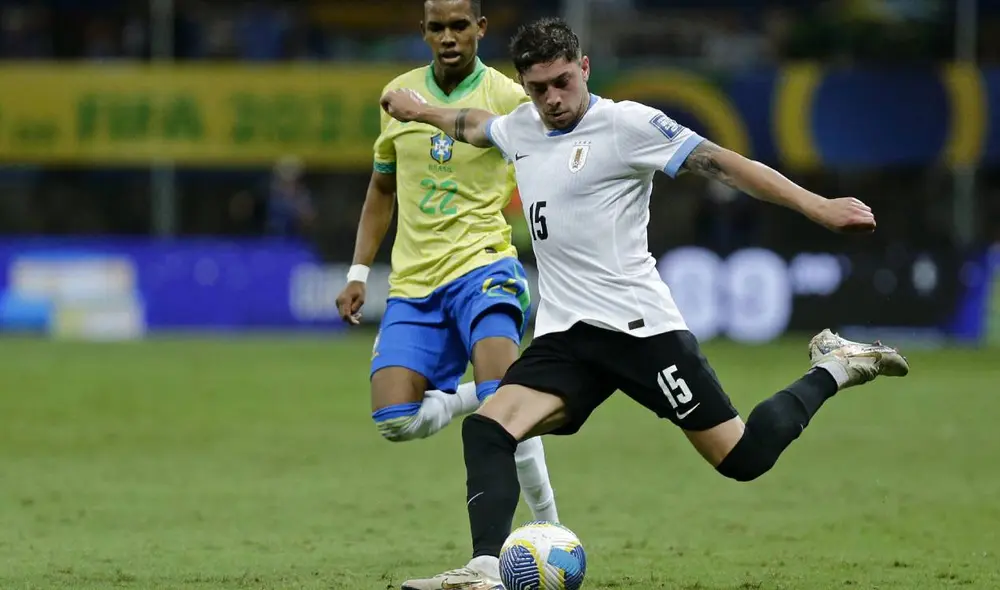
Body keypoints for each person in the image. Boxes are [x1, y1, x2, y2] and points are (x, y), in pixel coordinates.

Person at [380, 16, 910, 589]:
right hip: (566, 339)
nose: (553, 99)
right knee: (488, 428)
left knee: (744, 460)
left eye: (563, 82)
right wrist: (420, 111)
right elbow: (476, 124)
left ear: (584, 69)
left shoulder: (627, 125)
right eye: (538, 89)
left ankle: (836, 364)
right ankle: (485, 571)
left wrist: (817, 206)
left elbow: (725, 164)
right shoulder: (523, 128)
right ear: (524, 85)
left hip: (641, 333)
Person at [334, 0, 560, 579]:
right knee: (395, 420)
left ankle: (544, 532)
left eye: (461, 25)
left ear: (481, 29)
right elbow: (381, 189)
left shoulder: (510, 98)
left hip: (484, 269)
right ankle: (475, 396)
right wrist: (359, 273)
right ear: (424, 32)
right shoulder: (395, 94)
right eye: (438, 27)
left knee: (506, 404)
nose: (449, 36)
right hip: (414, 284)